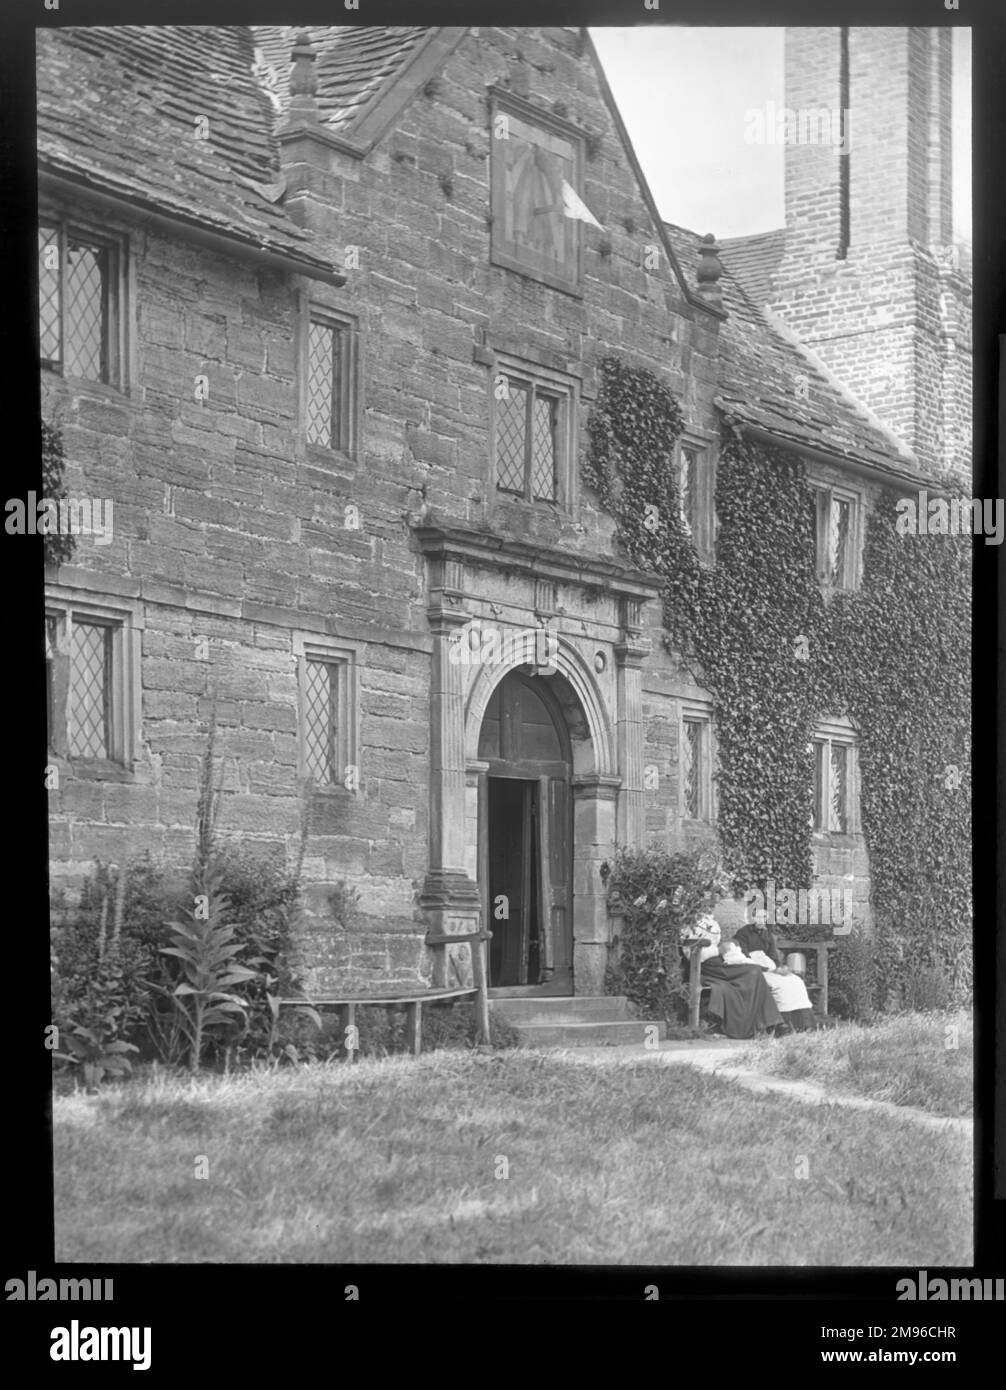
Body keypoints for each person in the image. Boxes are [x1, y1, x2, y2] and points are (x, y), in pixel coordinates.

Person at [691, 925, 783, 1040]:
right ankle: (761, 1024)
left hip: (719, 961)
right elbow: (691, 953)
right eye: (707, 905)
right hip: (705, 966)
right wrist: (718, 950)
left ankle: (769, 1024)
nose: (710, 907)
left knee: (754, 971)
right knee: (753, 971)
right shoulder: (691, 925)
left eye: (711, 905)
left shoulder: (711, 921)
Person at [734, 909, 816, 1031]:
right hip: (753, 967)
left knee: (795, 981)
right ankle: (782, 1022)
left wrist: (779, 967)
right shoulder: (743, 933)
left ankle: (804, 1023)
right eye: (759, 917)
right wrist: (764, 968)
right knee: (780, 985)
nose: (761, 920)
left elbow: (773, 955)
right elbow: (743, 954)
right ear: (753, 918)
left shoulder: (768, 935)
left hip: (770, 966)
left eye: (764, 917)